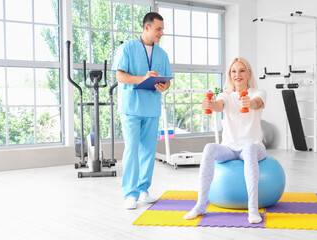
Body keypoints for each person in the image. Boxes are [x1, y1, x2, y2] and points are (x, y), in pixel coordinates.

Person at [184, 57, 267, 224]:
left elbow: (257, 103)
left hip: (253, 146)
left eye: (242, 70)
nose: (238, 74)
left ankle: (252, 209)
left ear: (248, 73)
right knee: (209, 148)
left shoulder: (258, 93)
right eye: (233, 71)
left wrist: (249, 103)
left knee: (250, 147)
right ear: (230, 75)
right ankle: (200, 205)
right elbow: (218, 105)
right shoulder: (226, 95)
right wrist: (209, 104)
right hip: (230, 148)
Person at [111, 12, 173, 210]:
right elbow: (120, 76)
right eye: (158, 29)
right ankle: (130, 193)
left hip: (152, 107)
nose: (161, 33)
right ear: (146, 28)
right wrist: (142, 79)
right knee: (132, 149)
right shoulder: (127, 48)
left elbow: (167, 80)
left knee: (148, 151)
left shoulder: (162, 54)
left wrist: (165, 86)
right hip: (131, 107)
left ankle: (143, 189)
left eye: (162, 29)